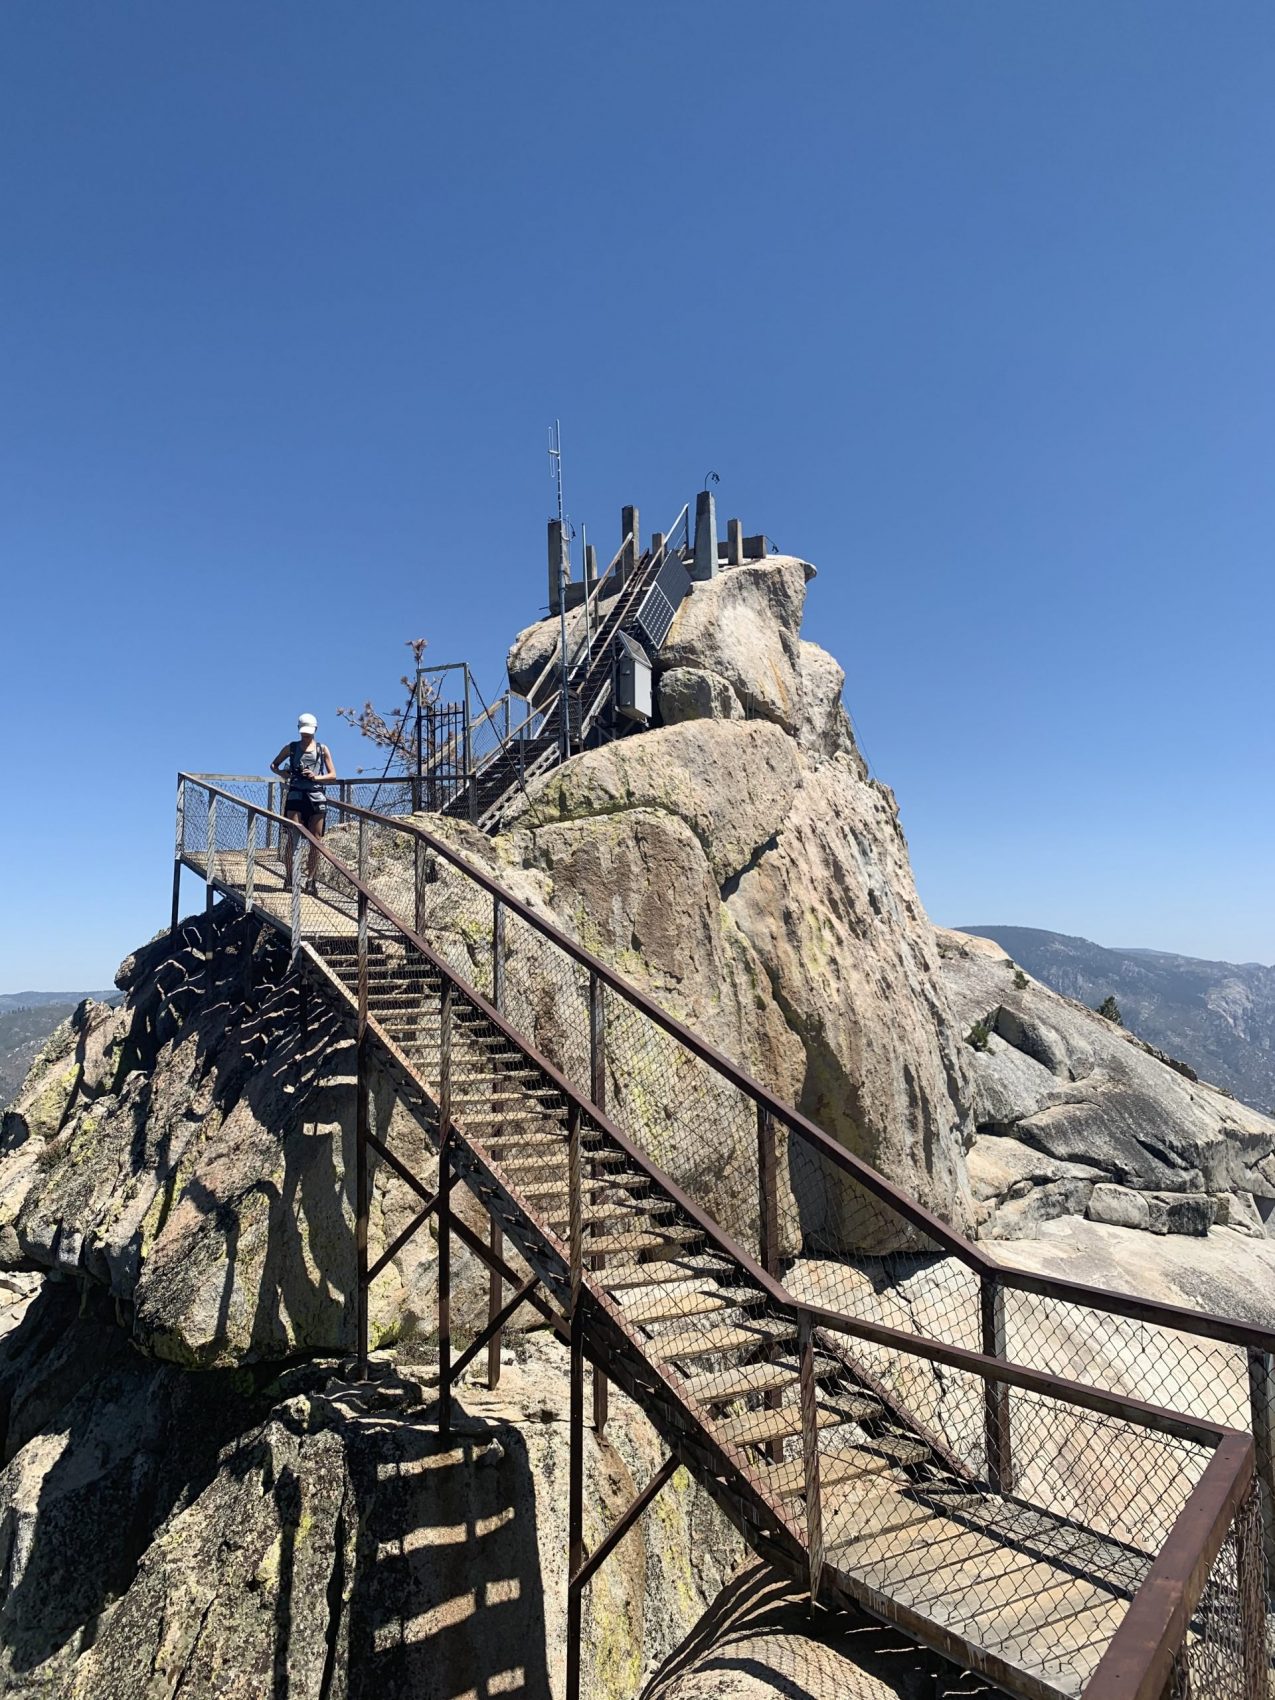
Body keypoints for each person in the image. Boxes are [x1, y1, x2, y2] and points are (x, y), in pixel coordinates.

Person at [270, 714, 336, 894]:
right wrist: (287, 775)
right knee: (293, 836)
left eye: (308, 733)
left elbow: (332, 775)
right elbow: (274, 765)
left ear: (315, 730)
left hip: (316, 796)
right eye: (303, 733)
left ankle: (311, 879)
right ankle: (290, 876)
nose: (305, 737)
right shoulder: (290, 748)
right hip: (296, 795)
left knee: (316, 840)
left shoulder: (322, 750)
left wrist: (316, 777)